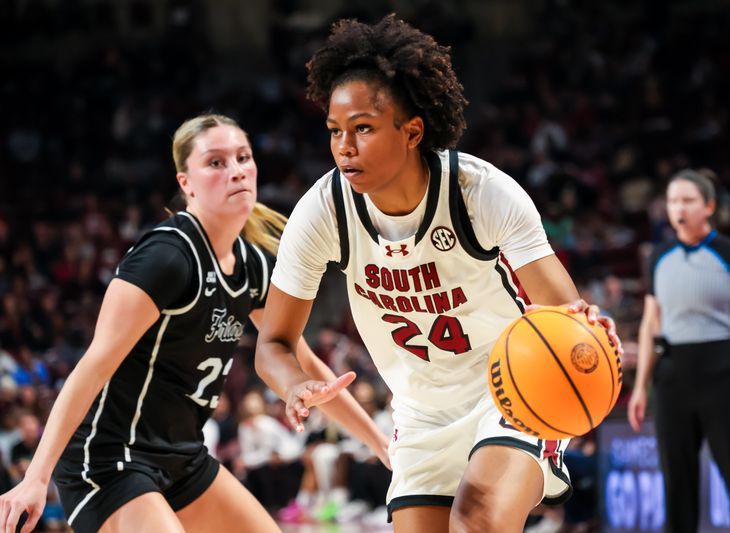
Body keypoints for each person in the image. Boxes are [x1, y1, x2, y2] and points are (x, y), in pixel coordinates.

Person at [255, 15, 619, 533]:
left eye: (363, 128)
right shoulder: (323, 210)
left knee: (477, 519)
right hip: (421, 414)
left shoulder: (479, 192)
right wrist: (292, 385)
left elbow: (563, 310)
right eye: (334, 131)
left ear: (412, 131)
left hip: (510, 389)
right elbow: (273, 344)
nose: (344, 147)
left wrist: (589, 334)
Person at [0, 113, 389, 533]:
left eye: (243, 157)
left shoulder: (255, 267)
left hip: (183, 457)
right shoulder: (168, 256)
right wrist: (36, 477)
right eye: (216, 162)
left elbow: (305, 362)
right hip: (110, 459)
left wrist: (383, 446)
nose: (236, 170)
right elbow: (92, 367)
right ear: (186, 183)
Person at [627, 169, 730, 532]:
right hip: (672, 376)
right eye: (672, 200)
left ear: (708, 206)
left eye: (687, 200)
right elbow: (651, 323)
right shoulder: (658, 256)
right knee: (676, 481)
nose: (678, 207)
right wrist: (640, 387)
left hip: (723, 369)